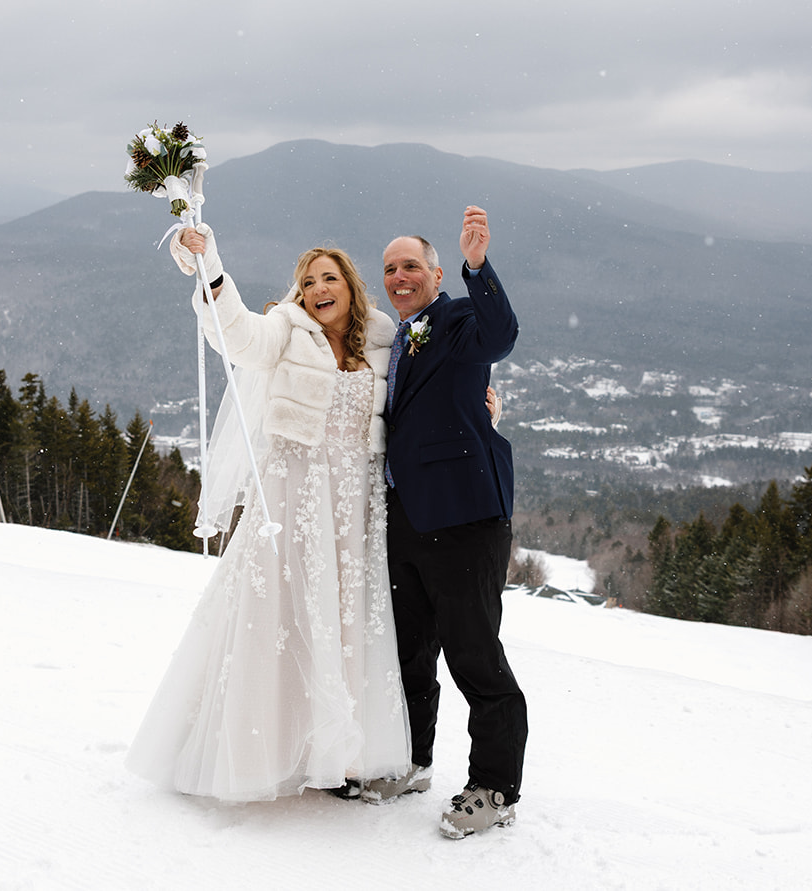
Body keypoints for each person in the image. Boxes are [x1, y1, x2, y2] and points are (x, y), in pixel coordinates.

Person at [125, 225, 410, 801]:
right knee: (277, 618)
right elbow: (239, 337)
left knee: (345, 620)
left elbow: (421, 400)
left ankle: (339, 755)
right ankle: (256, 755)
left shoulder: (381, 343)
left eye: (330, 278)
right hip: (295, 495)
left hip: (354, 504)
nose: (318, 288)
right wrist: (212, 269)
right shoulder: (286, 329)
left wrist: (486, 408)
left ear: (352, 288)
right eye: (308, 282)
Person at [361, 205, 528, 840]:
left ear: (436, 273)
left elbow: (500, 335)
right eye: (389, 269)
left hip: (464, 517)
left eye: (411, 266)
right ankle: (412, 761)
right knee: (409, 653)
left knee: (474, 654)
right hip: (404, 517)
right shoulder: (397, 338)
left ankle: (494, 786)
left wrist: (478, 267)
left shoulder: (458, 319)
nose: (399, 277)